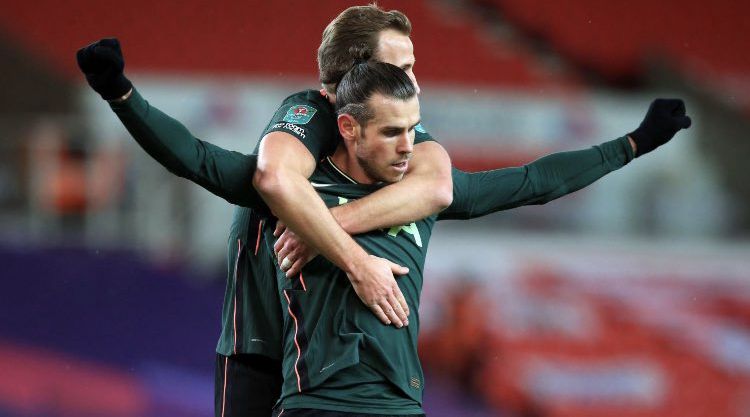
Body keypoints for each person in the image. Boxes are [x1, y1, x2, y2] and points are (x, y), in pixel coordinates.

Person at [76, 5, 691, 416]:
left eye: (411, 120)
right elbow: (209, 162)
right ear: (348, 96)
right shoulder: (299, 131)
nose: (414, 83)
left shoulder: (414, 154)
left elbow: (523, 182)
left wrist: (630, 144)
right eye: (401, 68)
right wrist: (122, 94)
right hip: (260, 351)